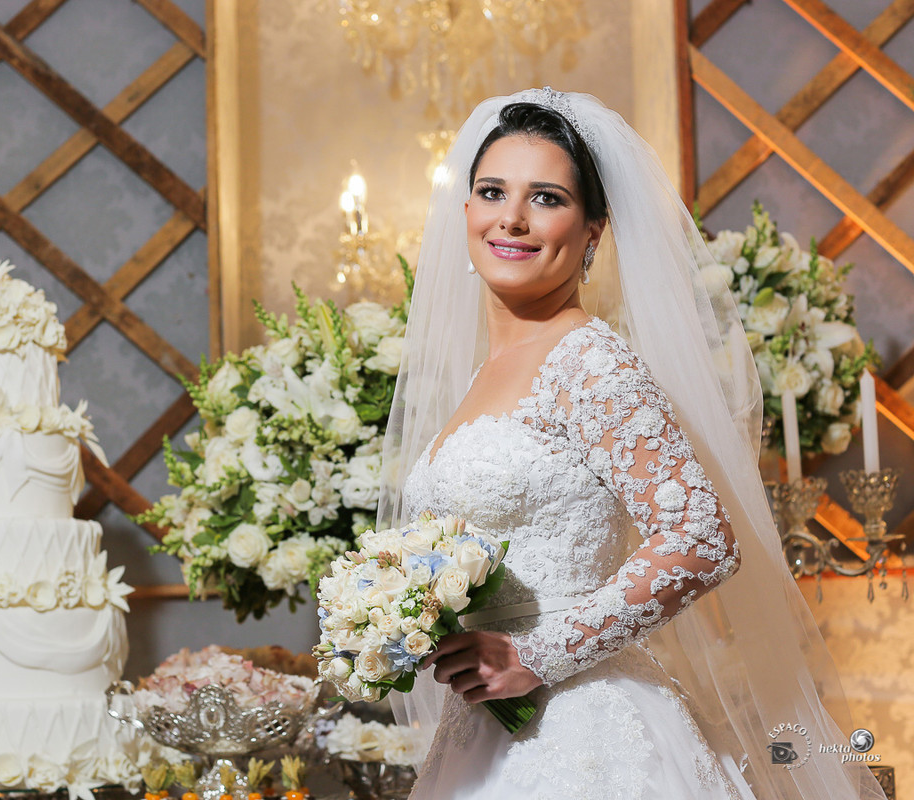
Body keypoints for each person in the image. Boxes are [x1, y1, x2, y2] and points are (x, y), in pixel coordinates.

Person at [377, 88, 887, 799]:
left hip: (587, 732)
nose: (513, 218)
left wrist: (537, 655)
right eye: (493, 191)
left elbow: (702, 536)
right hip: (483, 731)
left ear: (592, 232)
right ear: (466, 214)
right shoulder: (479, 377)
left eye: (547, 198)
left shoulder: (588, 360)